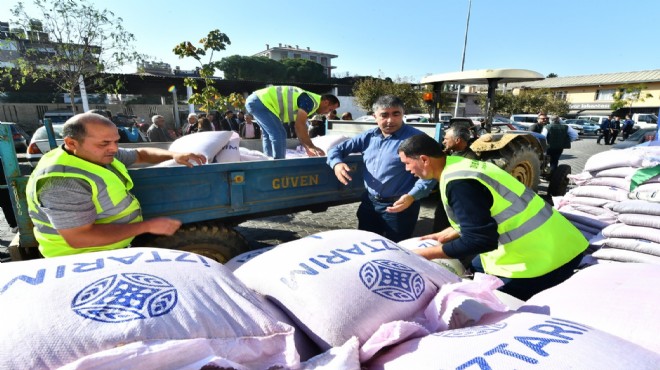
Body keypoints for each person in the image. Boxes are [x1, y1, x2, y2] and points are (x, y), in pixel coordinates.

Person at [397, 133, 587, 300]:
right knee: (476, 267)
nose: (407, 170)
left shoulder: (459, 184)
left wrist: (421, 255)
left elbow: (480, 241)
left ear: (424, 159)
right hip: (562, 241)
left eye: (407, 163)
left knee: (490, 307)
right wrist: (454, 230)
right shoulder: (460, 165)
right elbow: (491, 209)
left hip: (541, 262)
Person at [25, 113, 206, 258]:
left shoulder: (95, 154)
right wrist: (146, 226)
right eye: (104, 143)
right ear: (71, 143)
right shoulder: (62, 181)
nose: (113, 148)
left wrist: (173, 155)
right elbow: (79, 237)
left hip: (108, 249)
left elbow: (140, 154)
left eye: (116, 141)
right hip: (83, 257)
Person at [327, 95, 436, 242]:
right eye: (384, 115)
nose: (390, 120)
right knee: (367, 244)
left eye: (396, 114)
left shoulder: (417, 139)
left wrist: (412, 196)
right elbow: (336, 150)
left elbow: (429, 175)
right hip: (370, 203)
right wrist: (337, 164)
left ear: (403, 114)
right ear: (375, 117)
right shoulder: (368, 137)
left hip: (400, 207)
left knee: (397, 249)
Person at [245, 85, 340, 159]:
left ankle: (268, 159)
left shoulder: (311, 103)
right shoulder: (311, 101)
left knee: (268, 134)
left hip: (256, 100)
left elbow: (301, 127)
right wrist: (310, 146)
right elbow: (300, 125)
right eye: (329, 109)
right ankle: (279, 163)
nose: (327, 113)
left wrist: (307, 146)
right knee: (279, 133)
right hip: (260, 101)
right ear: (326, 102)